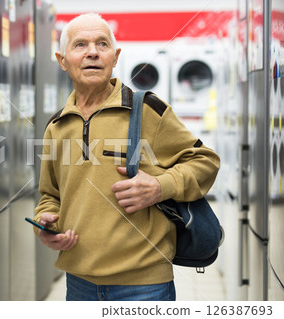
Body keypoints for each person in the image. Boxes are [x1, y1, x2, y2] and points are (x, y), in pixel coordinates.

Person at [32, 13, 220, 301]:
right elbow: (50, 195)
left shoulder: (146, 111)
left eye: (102, 44)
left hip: (144, 285)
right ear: (62, 60)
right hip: (79, 282)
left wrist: (160, 186)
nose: (92, 52)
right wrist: (45, 224)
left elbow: (205, 161)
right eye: (80, 44)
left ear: (115, 56)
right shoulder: (56, 127)